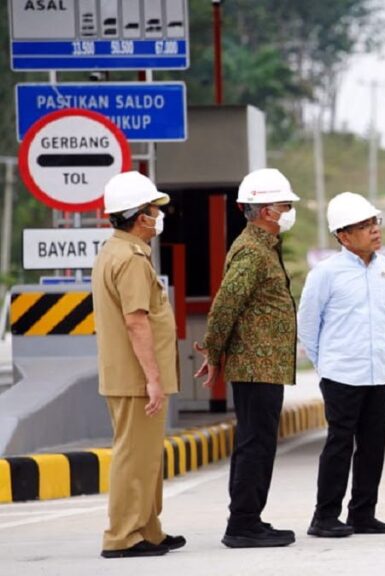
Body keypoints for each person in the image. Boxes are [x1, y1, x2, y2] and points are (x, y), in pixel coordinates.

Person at [194, 168, 300, 548]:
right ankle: (242, 523)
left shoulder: (262, 248)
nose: (290, 212)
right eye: (286, 205)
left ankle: (248, 518)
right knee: (255, 443)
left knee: (258, 441)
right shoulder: (253, 251)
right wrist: (213, 350)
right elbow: (225, 305)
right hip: (255, 366)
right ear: (268, 211)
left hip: (265, 365)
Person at [92, 171, 184, 558]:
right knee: (134, 456)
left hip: (130, 376)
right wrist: (152, 378)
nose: (158, 217)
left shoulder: (116, 251)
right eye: (153, 210)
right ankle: (123, 536)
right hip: (135, 377)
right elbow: (136, 320)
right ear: (137, 216)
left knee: (146, 457)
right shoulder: (129, 260)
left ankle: (148, 529)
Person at [298, 192, 385, 538]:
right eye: (364, 225)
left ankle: (363, 513)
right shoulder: (325, 274)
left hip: (378, 371)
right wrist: (325, 364)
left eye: (375, 222)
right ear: (343, 235)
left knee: (373, 446)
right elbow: (308, 324)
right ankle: (324, 516)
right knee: (339, 445)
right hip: (341, 373)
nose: (374, 230)